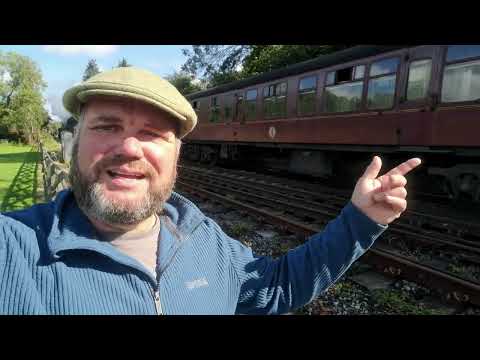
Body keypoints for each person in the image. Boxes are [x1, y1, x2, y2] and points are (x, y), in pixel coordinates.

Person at [0, 67, 421, 315]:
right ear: (77, 140)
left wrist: (361, 220)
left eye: (152, 134)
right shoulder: (14, 249)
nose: (129, 148)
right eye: (107, 126)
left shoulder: (203, 238)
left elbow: (274, 288)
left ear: (177, 154)